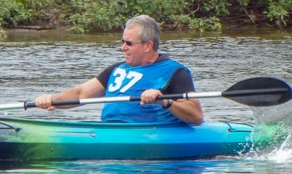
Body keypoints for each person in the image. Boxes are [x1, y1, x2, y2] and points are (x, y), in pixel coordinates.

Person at [34, 15, 204, 125]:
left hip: (149, 137)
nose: (123, 48)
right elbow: (81, 94)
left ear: (148, 45)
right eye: (123, 42)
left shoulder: (175, 72)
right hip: (111, 131)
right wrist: (52, 100)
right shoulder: (116, 70)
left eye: (129, 43)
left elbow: (196, 117)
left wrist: (165, 102)